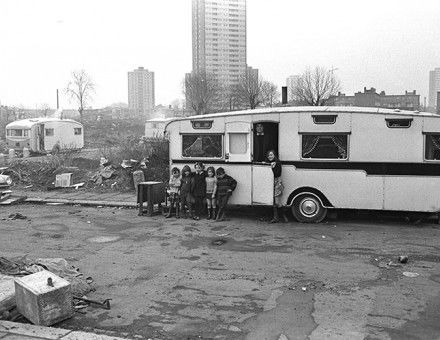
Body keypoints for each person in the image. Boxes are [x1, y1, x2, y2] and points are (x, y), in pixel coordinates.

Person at [267, 150, 288, 223]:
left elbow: (277, 174)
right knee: (275, 201)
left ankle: (282, 217)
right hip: (271, 183)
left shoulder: (277, 163)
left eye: (271, 155)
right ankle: (277, 217)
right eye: (269, 155)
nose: (269, 156)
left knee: (277, 202)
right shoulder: (270, 163)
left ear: (275, 155)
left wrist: (272, 167)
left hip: (277, 183)